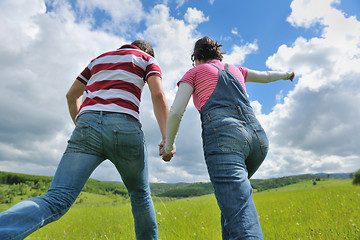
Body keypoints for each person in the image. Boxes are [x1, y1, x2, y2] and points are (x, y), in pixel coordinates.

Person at [0, 40, 169, 240]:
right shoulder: (146, 59)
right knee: (140, 195)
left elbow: (71, 96)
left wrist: (83, 126)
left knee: (56, 198)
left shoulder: (98, 60)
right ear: (148, 50)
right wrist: (167, 138)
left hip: (86, 124)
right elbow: (157, 95)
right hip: (124, 124)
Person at [160, 36, 295, 239]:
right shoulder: (236, 69)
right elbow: (266, 76)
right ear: (218, 55)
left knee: (242, 220)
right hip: (258, 139)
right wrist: (287, 74)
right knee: (231, 205)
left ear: (196, 58)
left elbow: (177, 111)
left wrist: (168, 147)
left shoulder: (194, 72)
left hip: (225, 140)